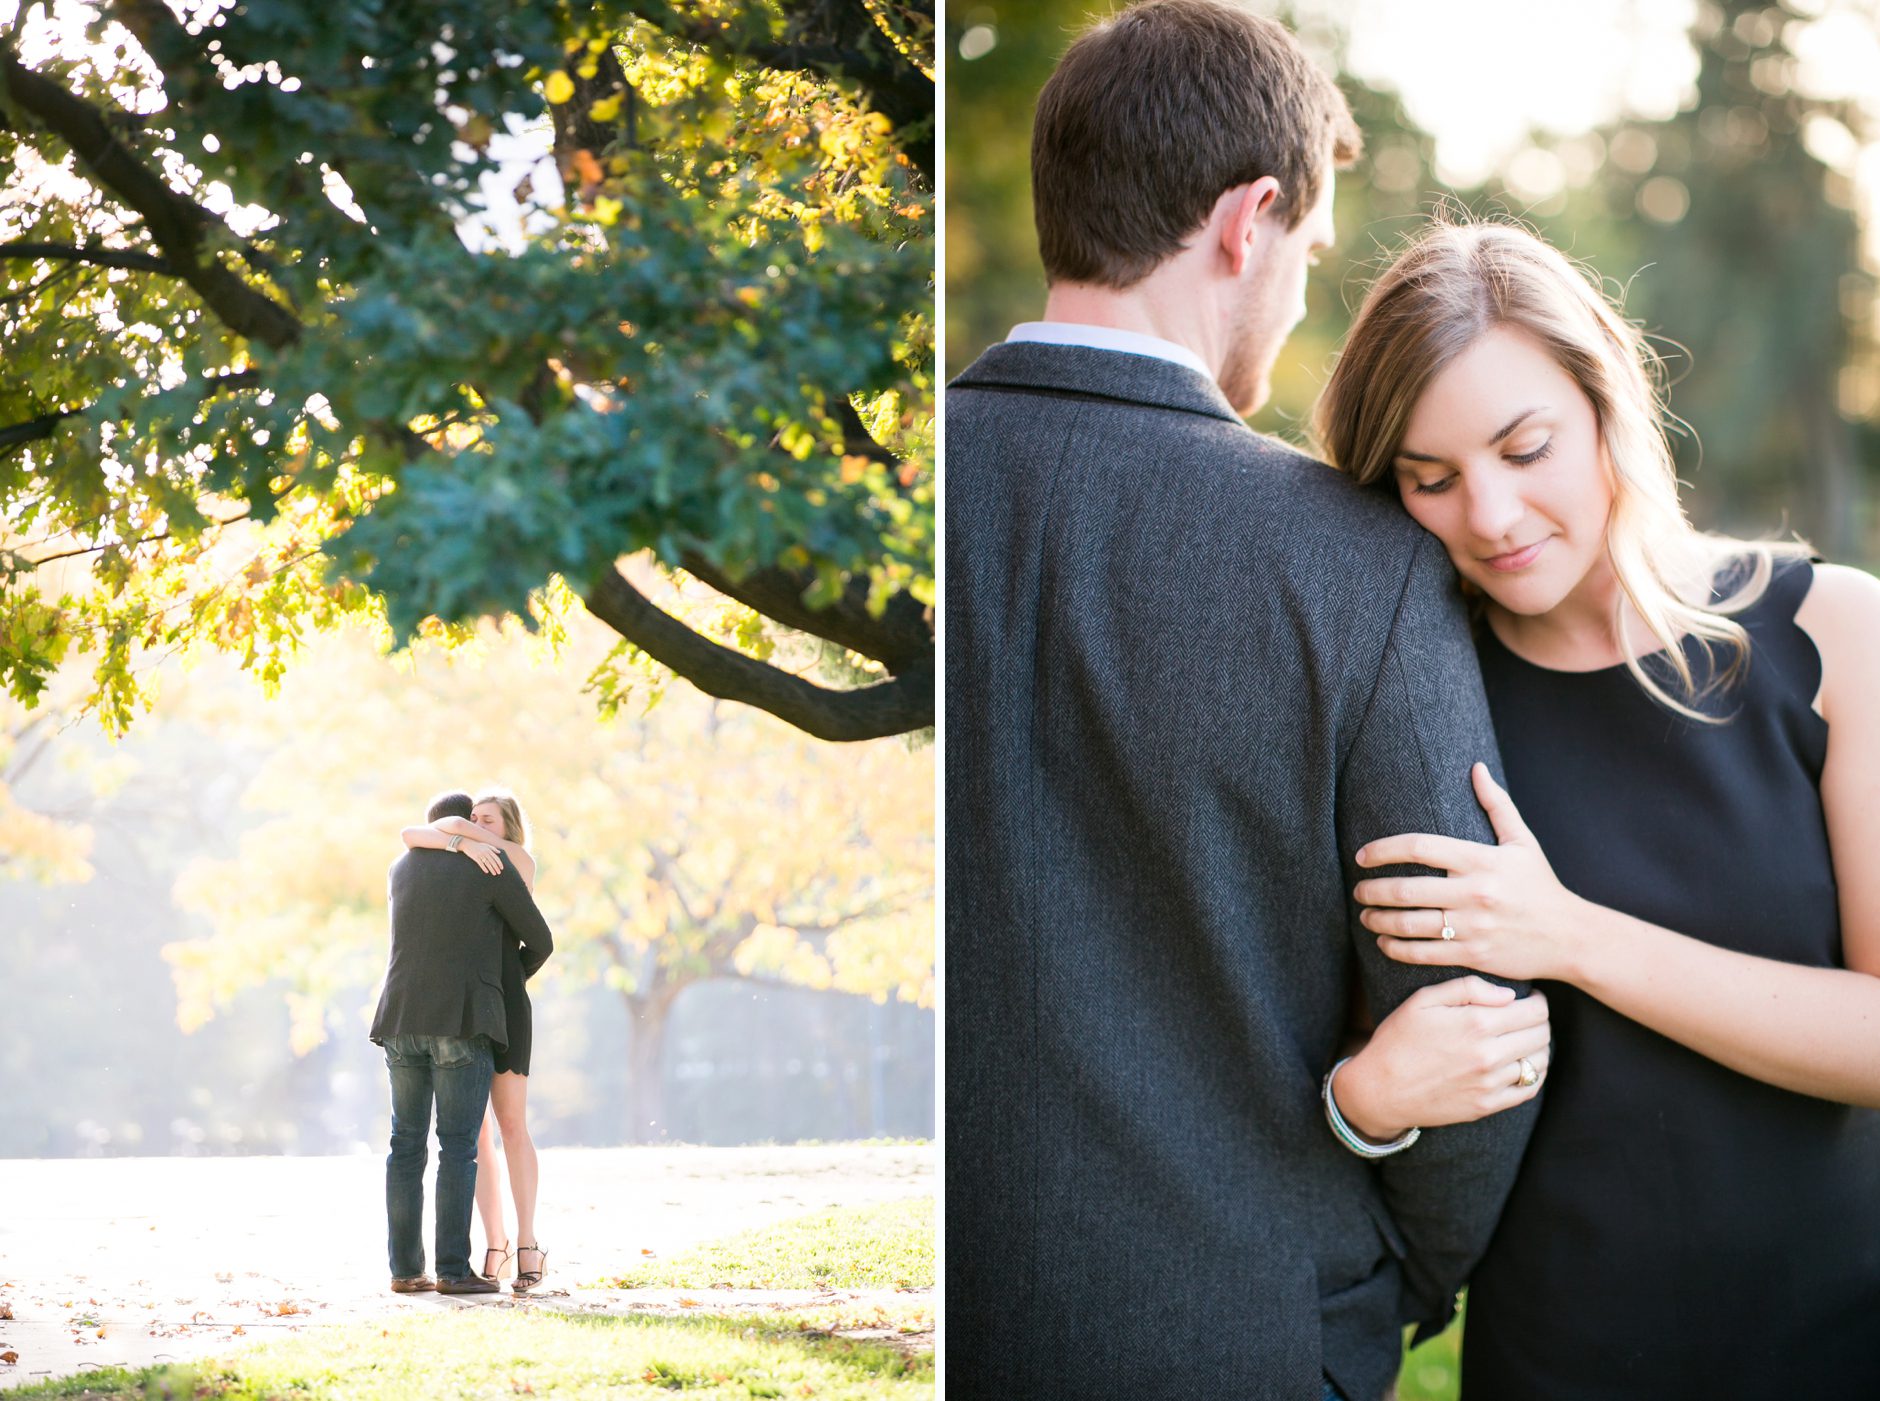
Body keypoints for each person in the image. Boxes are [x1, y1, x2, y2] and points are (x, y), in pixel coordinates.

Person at [946, 4, 1547, 1397]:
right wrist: (1380, 1286)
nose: (1297, 297)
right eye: (1312, 254)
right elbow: (1468, 998)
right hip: (1255, 1338)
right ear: (1247, 220)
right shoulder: (1359, 563)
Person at [1314, 220, 1880, 1397]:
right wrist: (1364, 1096)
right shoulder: (1409, 701)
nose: (1491, 516)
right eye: (1431, 479)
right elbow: (1337, 1058)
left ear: (1605, 400)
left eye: (1525, 448)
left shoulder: (1834, 635)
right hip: (1551, 1358)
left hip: (1838, 1339)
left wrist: (1569, 937)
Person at [368, 790, 554, 1296]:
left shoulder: (399, 868)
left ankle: (406, 1270)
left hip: (400, 1016)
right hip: (463, 1018)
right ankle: (454, 1270)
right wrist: (502, 982)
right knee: (458, 1147)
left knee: (404, 1146)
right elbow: (540, 939)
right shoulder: (486, 865)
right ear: (458, 830)